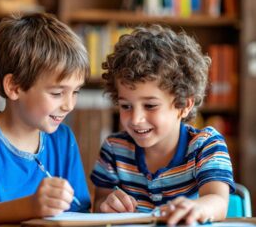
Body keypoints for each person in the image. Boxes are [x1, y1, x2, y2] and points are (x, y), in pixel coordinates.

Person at [90, 25, 235, 225]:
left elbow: (218, 200)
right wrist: (106, 204)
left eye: (150, 105)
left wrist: (197, 208)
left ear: (184, 105)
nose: (135, 119)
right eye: (126, 106)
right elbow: (99, 202)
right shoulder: (114, 149)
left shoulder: (206, 145)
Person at [0, 12, 91, 227]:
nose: (69, 105)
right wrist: (31, 206)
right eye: (57, 93)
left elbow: (80, 212)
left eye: (76, 92)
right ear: (14, 87)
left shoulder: (63, 139)